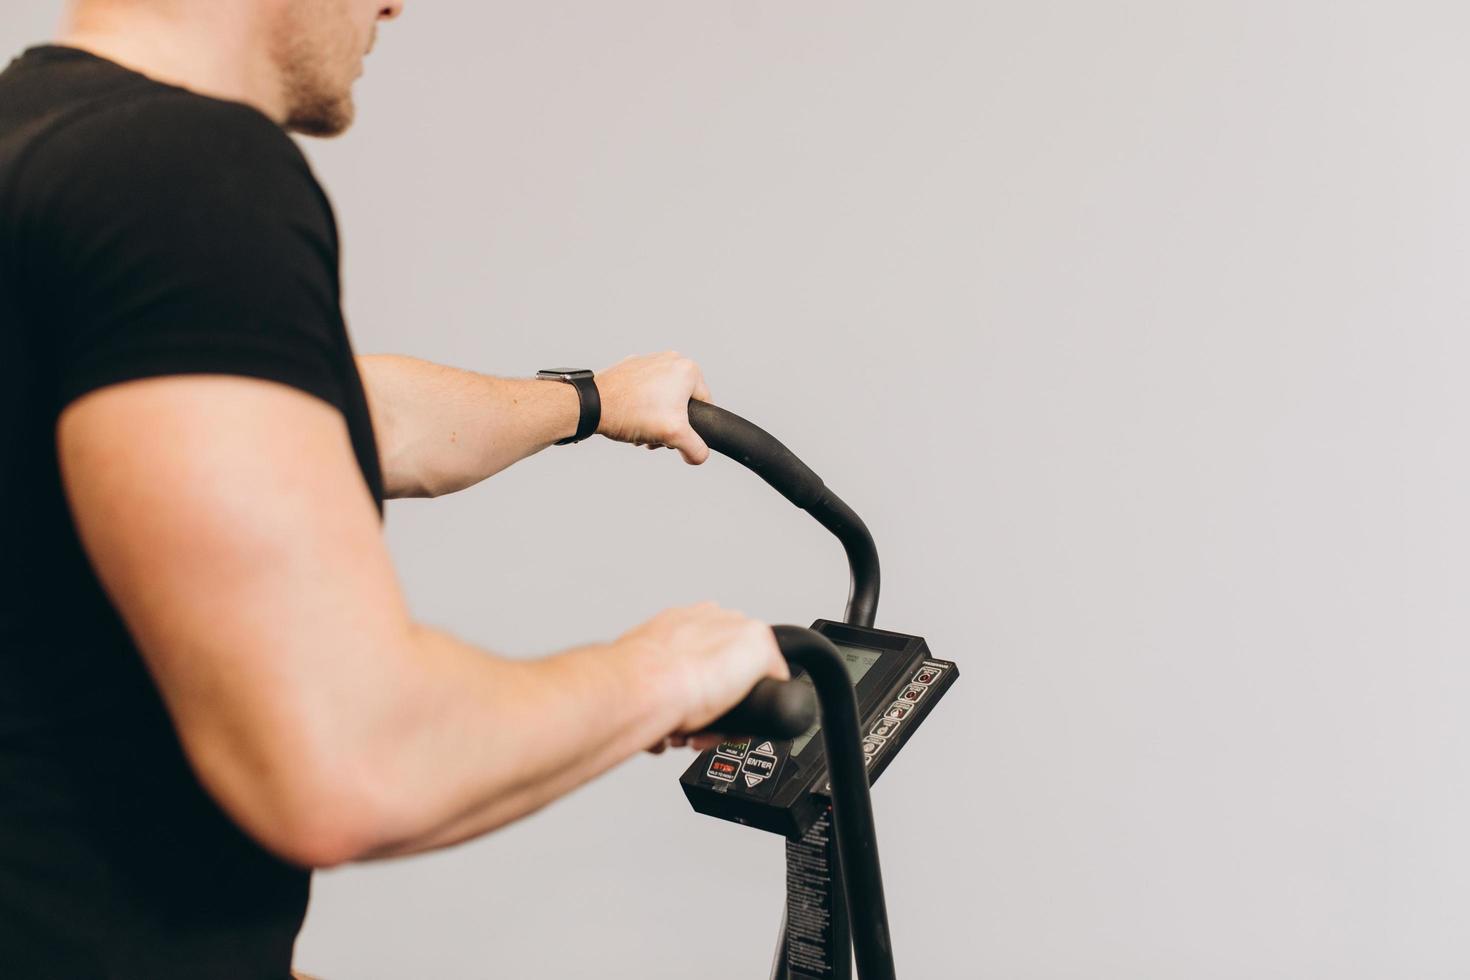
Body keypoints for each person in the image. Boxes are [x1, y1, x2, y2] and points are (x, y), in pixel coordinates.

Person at [0, 2, 788, 976]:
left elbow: (331, 421)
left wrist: (593, 400)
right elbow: (348, 757)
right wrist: (668, 669)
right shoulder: (181, 177)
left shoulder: (36, 152)